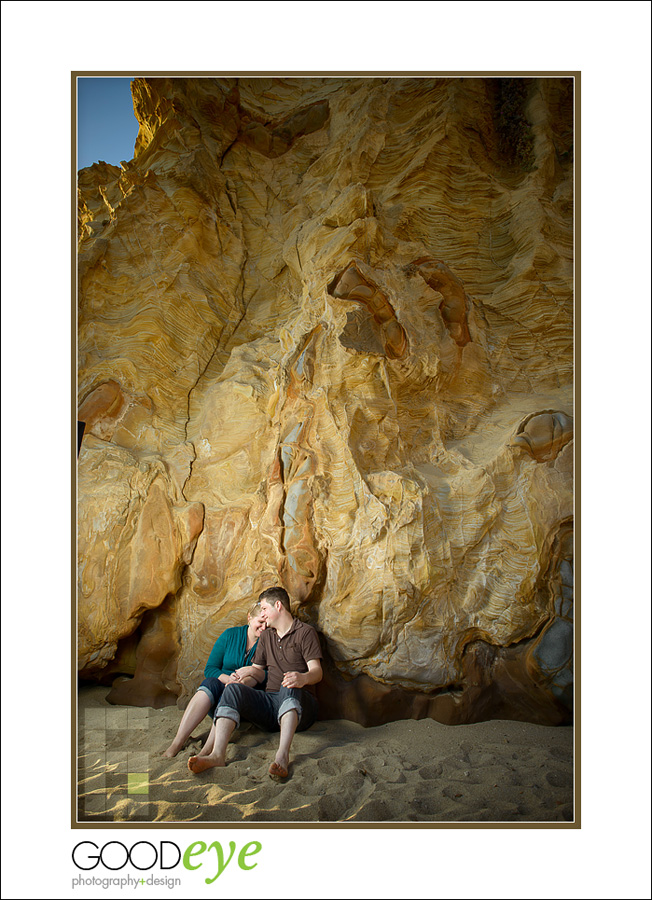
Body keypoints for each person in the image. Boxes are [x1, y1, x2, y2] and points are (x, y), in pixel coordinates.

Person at [188, 586, 322, 780]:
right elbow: (258, 671)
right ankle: (217, 754)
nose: (263, 614)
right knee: (234, 689)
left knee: (289, 684)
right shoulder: (267, 636)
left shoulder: (305, 633)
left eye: (265, 609)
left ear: (278, 605)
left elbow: (317, 672)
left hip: (301, 707)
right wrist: (241, 679)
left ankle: (282, 756)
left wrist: (302, 678)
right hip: (271, 705)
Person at [163, 601, 266, 758]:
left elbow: (264, 676)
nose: (264, 627)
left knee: (231, 692)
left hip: (244, 701)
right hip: (219, 692)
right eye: (260, 622)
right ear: (249, 618)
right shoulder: (230, 635)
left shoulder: (268, 642)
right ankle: (177, 742)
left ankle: (207, 750)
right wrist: (227, 679)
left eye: (267, 623)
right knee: (210, 683)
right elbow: (210, 669)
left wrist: (239, 683)